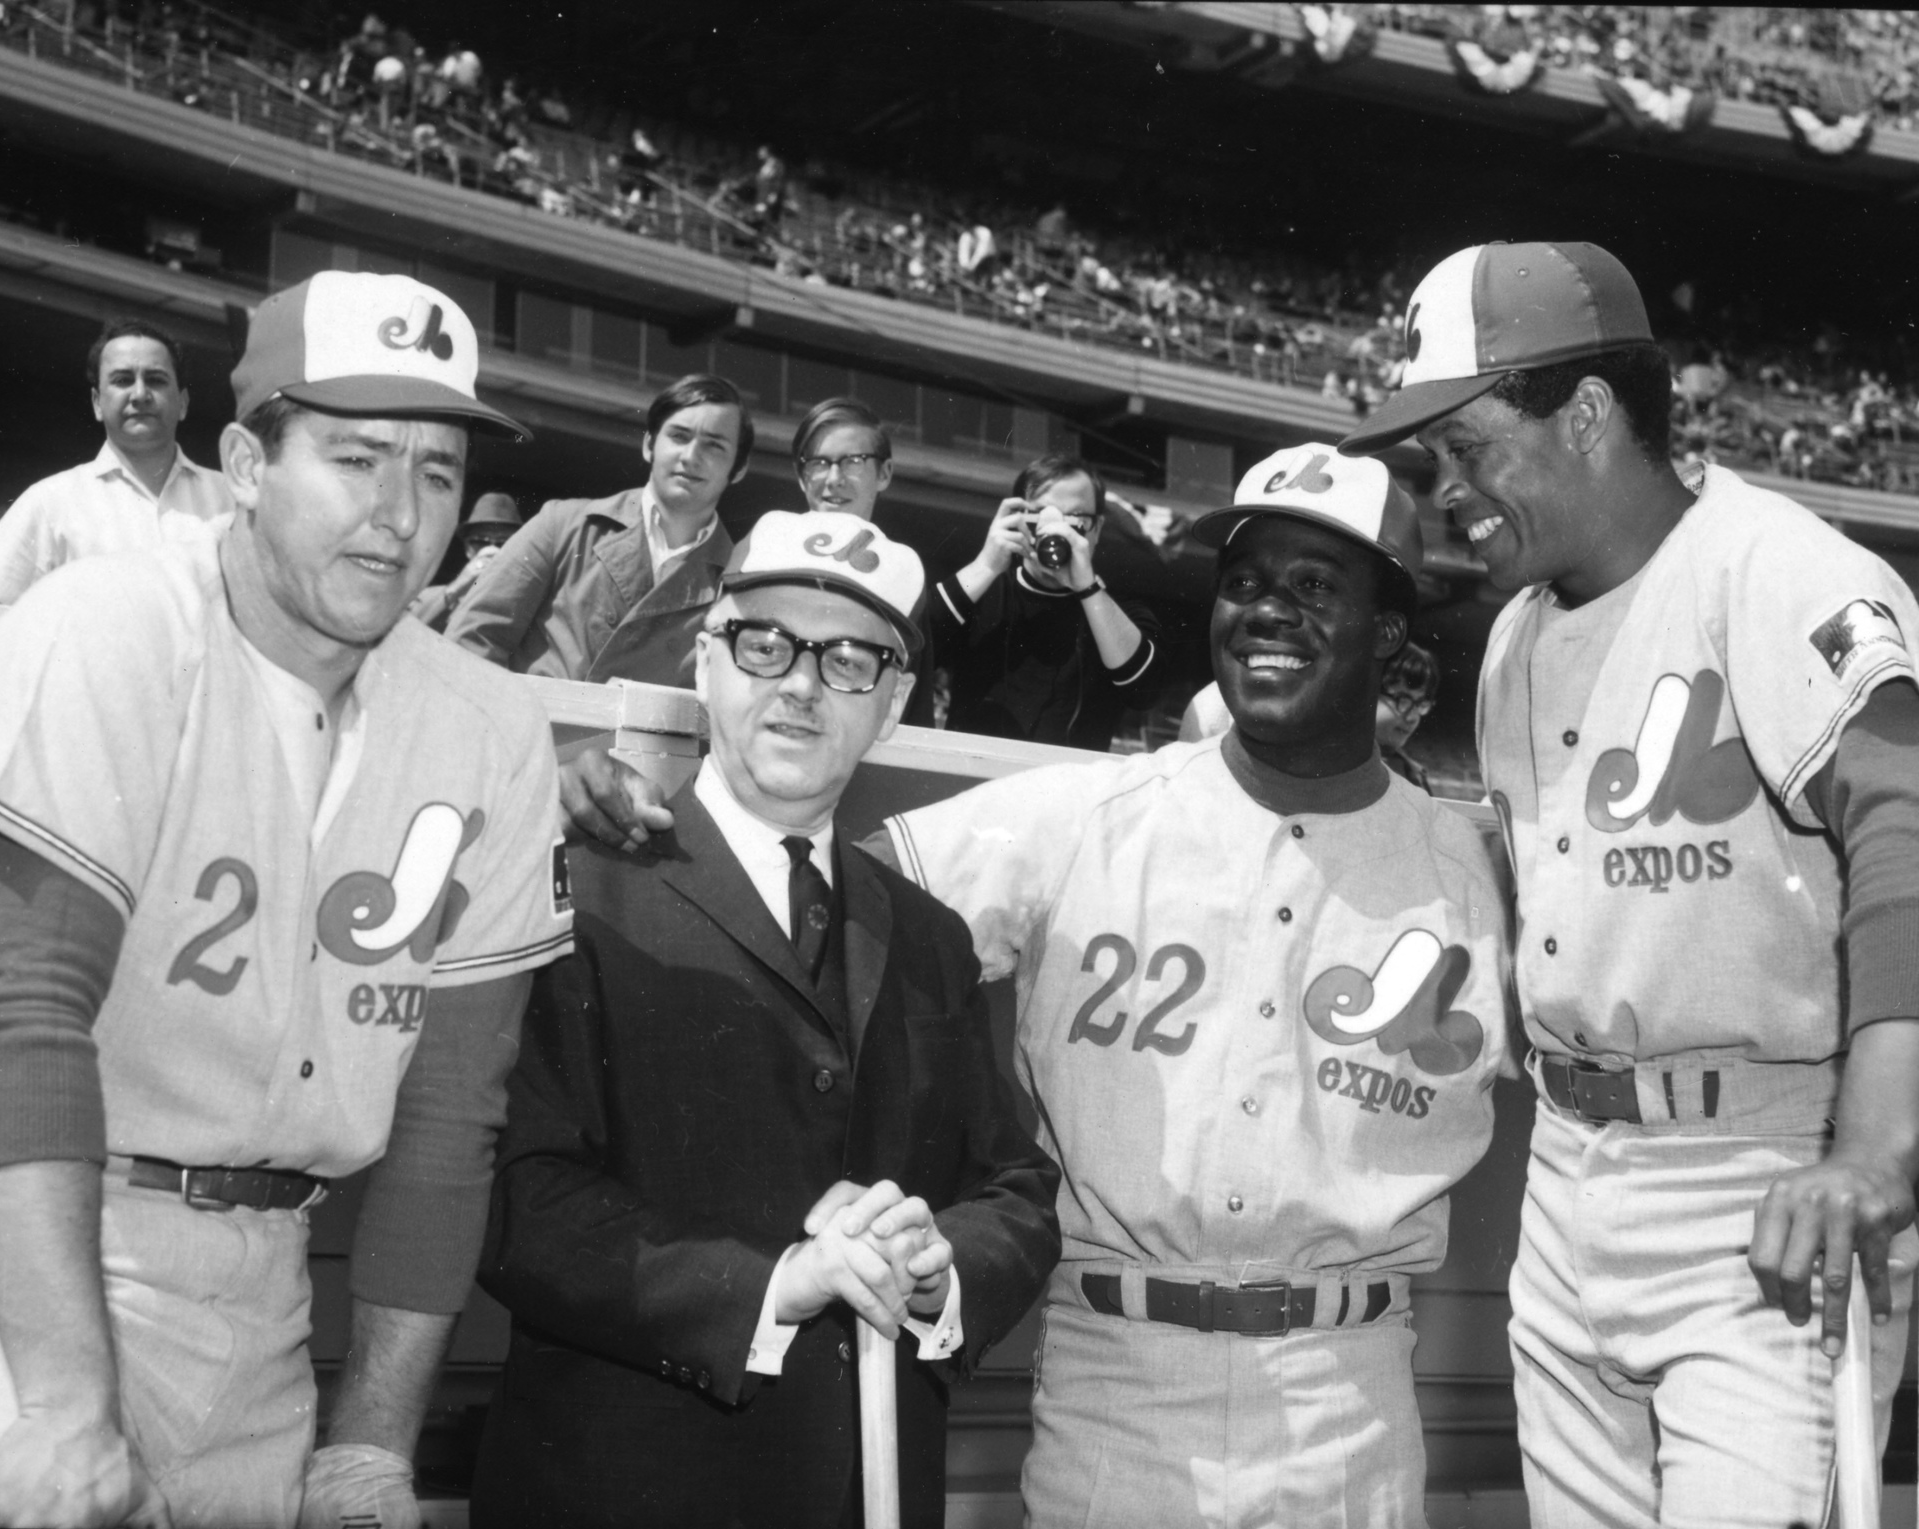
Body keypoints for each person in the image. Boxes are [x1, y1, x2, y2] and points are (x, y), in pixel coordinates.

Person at [0, 271, 570, 1529]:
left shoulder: (491, 728)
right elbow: (19, 1020)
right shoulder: (107, 624)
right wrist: (67, 1408)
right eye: (356, 457)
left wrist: (368, 1448)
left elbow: (448, 1117)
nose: (399, 514)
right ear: (246, 461)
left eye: (436, 471)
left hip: (259, 1285)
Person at [1338, 239, 1919, 1529]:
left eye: (1469, 447)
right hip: (1566, 1180)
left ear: (1587, 413)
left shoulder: (1772, 570)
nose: (1443, 494)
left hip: (1759, 1181)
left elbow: (1908, 836)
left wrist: (1878, 1149)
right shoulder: (1510, 637)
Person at [876, 443, 1509, 1527]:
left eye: (1313, 586)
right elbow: (820, 904)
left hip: (1344, 1397)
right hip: (1116, 1384)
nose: (1266, 609)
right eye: (1246, 580)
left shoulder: (1472, 872)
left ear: (1388, 629)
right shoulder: (1083, 813)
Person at [472, 508, 1059, 1528]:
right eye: (764, 642)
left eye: (848, 660)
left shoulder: (930, 936)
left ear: (893, 702)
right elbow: (515, 1195)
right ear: (704, 663)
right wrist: (774, 1282)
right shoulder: (575, 884)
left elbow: (1012, 1186)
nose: (798, 682)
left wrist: (937, 1266)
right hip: (623, 1490)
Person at [446, 373, 752, 687]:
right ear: (649, 444)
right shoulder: (563, 525)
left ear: (739, 468)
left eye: (714, 446)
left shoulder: (738, 581)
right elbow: (472, 637)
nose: (690, 457)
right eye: (678, 436)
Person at [0, 318, 234, 605]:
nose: (140, 394)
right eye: (122, 380)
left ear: (183, 403)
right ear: (97, 403)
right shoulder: (51, 501)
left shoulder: (233, 502)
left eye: (156, 380)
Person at [932, 453, 1163, 750]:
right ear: (1017, 519)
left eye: (1076, 519)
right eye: (1041, 515)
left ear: (1096, 529)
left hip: (1071, 791)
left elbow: (1145, 692)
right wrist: (985, 566)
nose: (1058, 532)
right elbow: (909, 649)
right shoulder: (981, 593)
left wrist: (1087, 589)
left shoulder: (1118, 614)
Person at [791, 396, 934, 726]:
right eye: (819, 462)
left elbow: (914, 714)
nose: (834, 478)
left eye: (853, 461)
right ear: (801, 476)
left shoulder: (902, 575)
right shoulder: (765, 554)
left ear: (884, 473)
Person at [1181, 636, 1442, 790]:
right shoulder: (1317, 757)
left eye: (1420, 704)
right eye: (1402, 699)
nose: (1411, 716)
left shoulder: (1413, 776)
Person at [407, 489, 521, 629]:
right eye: (480, 542)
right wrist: (456, 589)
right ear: (468, 549)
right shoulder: (433, 597)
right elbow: (400, 632)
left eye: (503, 543)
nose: (491, 550)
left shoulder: (529, 601)